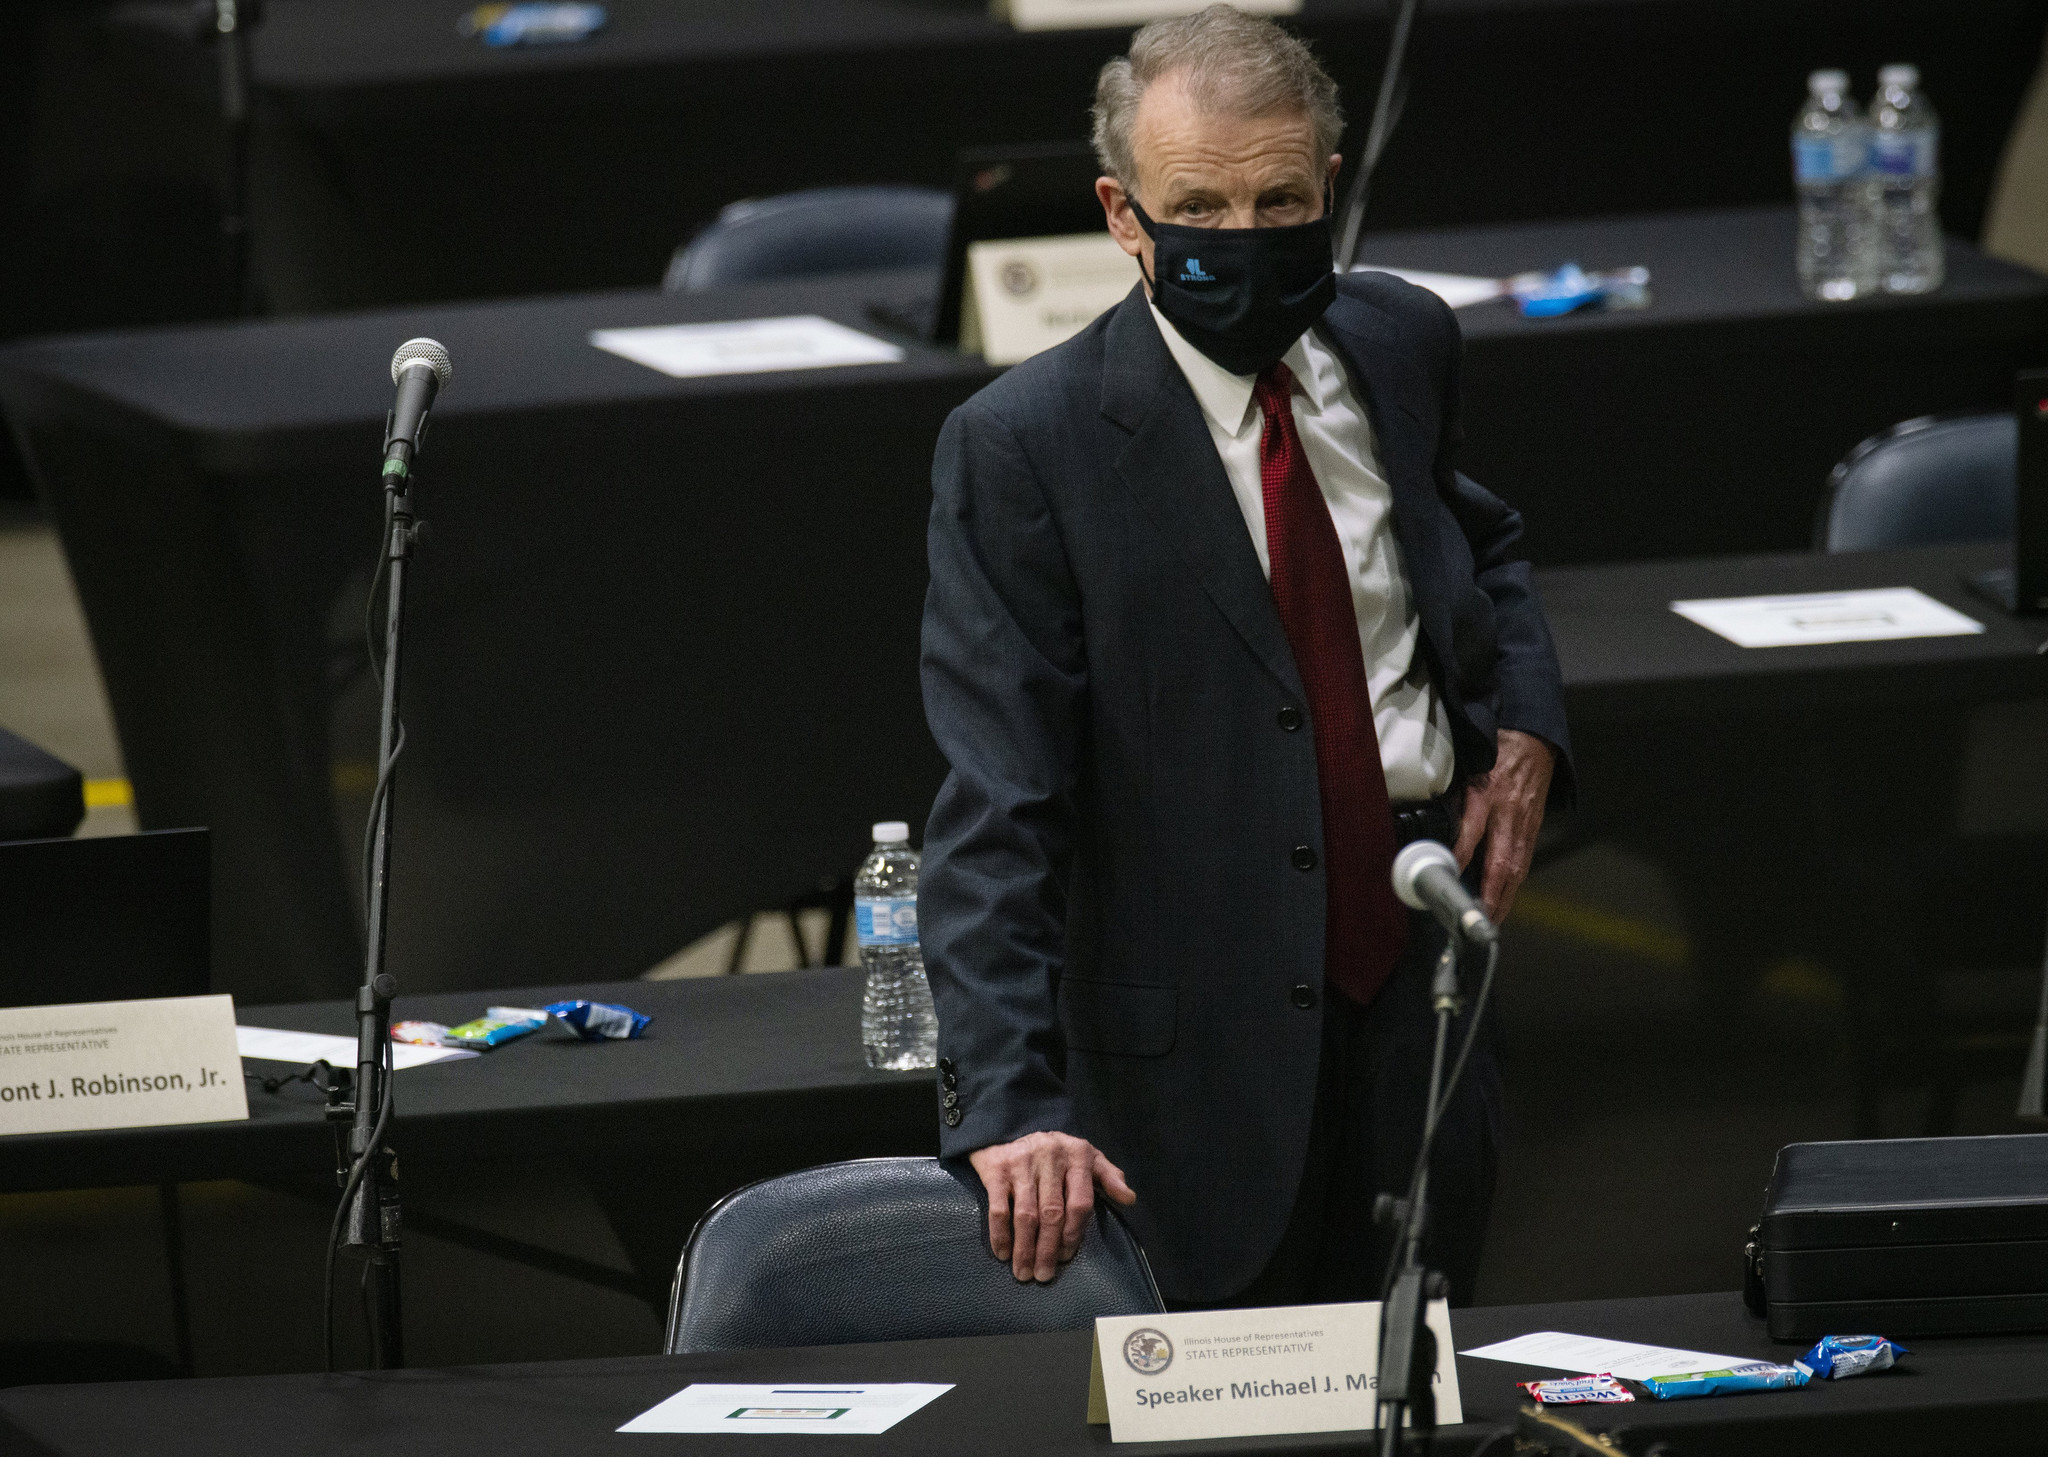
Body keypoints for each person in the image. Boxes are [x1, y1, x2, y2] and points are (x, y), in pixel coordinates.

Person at [918, 3, 1571, 1310]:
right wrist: (1010, 1100)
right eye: (1199, 209)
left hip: (1415, 1008)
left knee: (1419, 1388)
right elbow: (1000, 807)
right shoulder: (1026, 450)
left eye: (1279, 201)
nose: (1243, 238)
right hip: (1193, 1059)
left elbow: (1481, 541)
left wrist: (1527, 722)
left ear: (1329, 188)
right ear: (1121, 214)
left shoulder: (1397, 341)